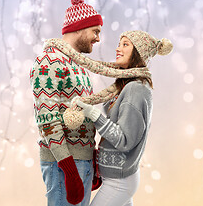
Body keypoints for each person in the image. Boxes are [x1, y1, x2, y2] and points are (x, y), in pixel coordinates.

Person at [72, 30, 173, 206]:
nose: (118, 49)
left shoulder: (136, 89)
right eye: (119, 44)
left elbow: (125, 140)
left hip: (119, 181)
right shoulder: (125, 85)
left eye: (125, 44)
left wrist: (94, 114)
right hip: (116, 178)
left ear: (138, 53)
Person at [30, 0, 103, 206]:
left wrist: (91, 156)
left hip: (81, 160)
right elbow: (47, 118)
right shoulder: (49, 61)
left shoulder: (77, 64)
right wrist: (69, 168)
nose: (98, 38)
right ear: (79, 28)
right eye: (95, 31)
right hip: (64, 163)